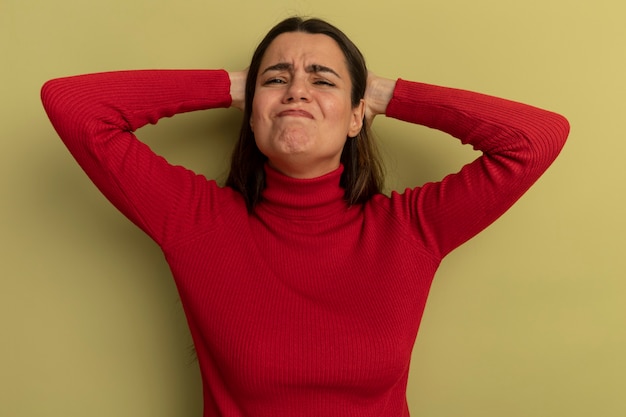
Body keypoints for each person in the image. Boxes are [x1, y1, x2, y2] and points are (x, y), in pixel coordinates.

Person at [41, 16, 569, 417]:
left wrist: (384, 92)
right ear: (250, 113)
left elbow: (535, 139)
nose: (297, 89)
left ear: (359, 114)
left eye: (323, 80)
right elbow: (74, 106)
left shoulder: (411, 228)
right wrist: (231, 85)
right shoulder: (196, 221)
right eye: (276, 78)